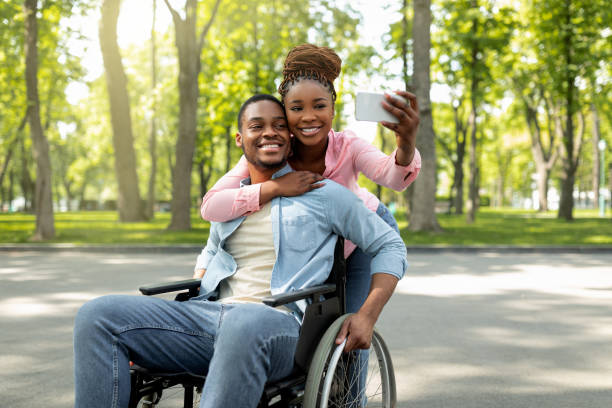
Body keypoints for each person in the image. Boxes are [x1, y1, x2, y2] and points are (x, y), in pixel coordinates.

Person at [73, 94, 407, 408]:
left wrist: (367, 314)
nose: (269, 133)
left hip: (280, 326)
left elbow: (390, 244)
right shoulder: (232, 200)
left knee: (244, 321)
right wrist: (196, 287)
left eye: (279, 126)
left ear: (290, 138)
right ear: (240, 139)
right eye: (257, 126)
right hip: (211, 317)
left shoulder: (323, 194)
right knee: (97, 315)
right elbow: (210, 251)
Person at [200, 43, 420, 314]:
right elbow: (211, 205)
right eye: (296, 108)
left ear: (332, 111)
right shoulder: (273, 148)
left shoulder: (348, 146)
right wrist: (274, 187)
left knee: (349, 325)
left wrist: (406, 143)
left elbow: (394, 179)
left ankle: (356, 354)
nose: (308, 117)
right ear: (285, 113)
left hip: (361, 232)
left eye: (319, 106)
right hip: (316, 240)